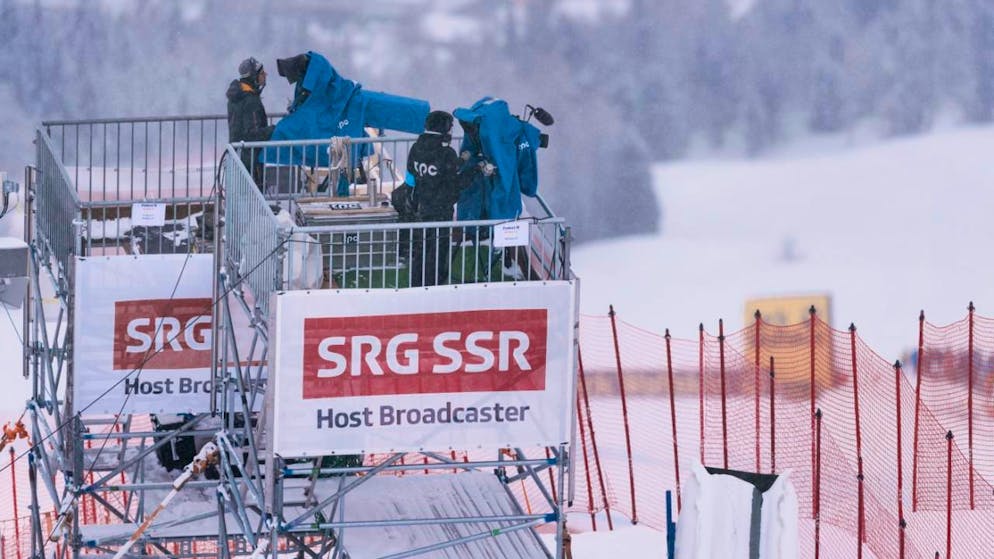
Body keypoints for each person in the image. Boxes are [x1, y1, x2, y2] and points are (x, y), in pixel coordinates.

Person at [406, 110, 481, 287]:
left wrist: (460, 161)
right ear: (445, 129)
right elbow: (455, 183)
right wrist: (477, 169)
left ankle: (415, 286)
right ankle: (433, 288)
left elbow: (422, 170)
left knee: (421, 250)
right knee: (437, 253)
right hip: (441, 210)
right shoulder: (446, 154)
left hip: (422, 207)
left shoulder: (416, 148)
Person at [226, 57, 275, 187]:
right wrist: (272, 130)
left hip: (238, 155)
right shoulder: (250, 100)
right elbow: (252, 134)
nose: (265, 75)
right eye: (261, 73)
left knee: (241, 196)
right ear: (253, 76)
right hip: (251, 160)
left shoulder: (236, 97)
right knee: (254, 197)